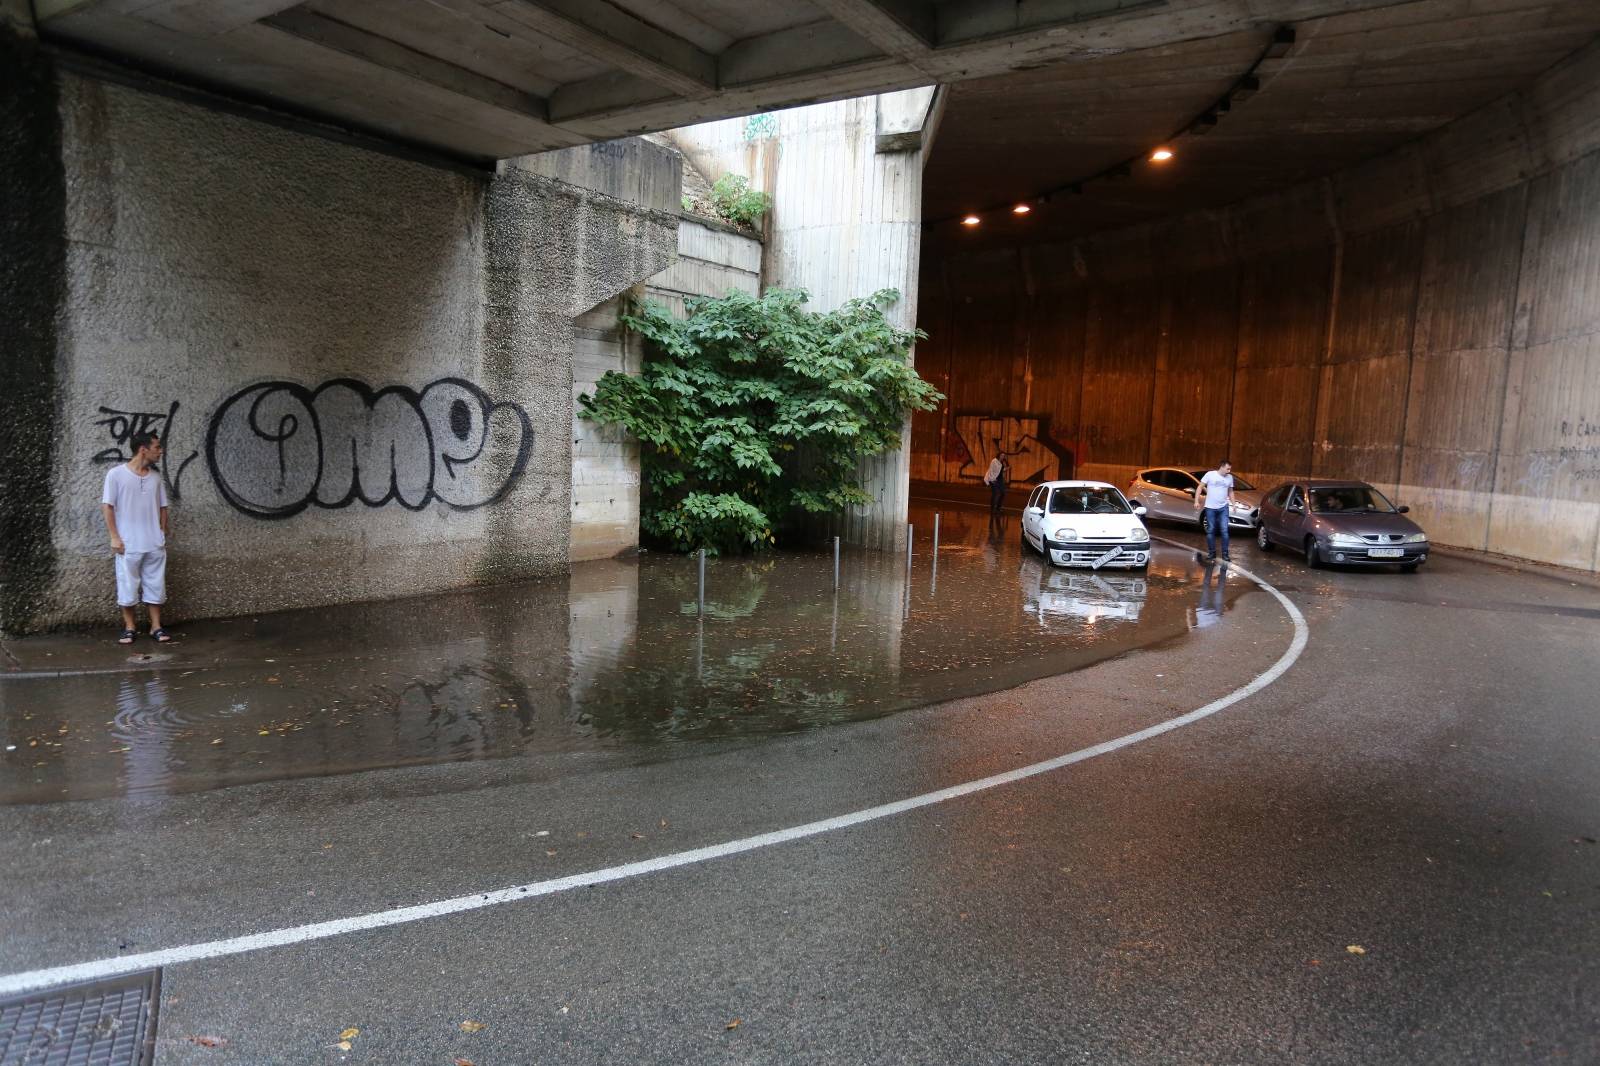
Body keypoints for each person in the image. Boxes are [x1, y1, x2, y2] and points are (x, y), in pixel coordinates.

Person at [101, 430, 172, 645]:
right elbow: (108, 506)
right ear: (143, 449)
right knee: (127, 585)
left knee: (156, 584)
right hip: (128, 543)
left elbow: (163, 507)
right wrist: (114, 537)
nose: (160, 451)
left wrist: (161, 531)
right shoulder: (116, 475)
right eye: (157, 447)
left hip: (153, 543)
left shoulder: (156, 478)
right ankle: (129, 627)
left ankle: (156, 627)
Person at [1193, 458, 1234, 563]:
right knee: (1211, 530)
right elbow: (1200, 487)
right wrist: (1196, 501)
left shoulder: (1230, 477)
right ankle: (1212, 553)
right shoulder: (1210, 474)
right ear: (1222, 467)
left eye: (1230, 469)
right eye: (1227, 469)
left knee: (1224, 530)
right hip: (1210, 507)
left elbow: (1230, 491)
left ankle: (1225, 554)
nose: (1229, 471)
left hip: (1223, 507)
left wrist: (1233, 504)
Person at [983, 452, 1010, 518]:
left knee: (1003, 493)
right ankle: (992, 509)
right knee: (995, 494)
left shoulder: (1001, 462)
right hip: (993, 479)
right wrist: (992, 479)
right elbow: (991, 470)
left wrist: (1007, 469)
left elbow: (1000, 470)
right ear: (998, 455)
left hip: (1000, 480)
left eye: (1004, 456)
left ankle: (998, 508)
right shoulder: (994, 461)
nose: (1003, 456)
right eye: (1001, 455)